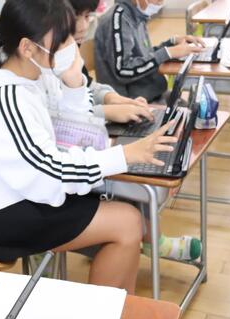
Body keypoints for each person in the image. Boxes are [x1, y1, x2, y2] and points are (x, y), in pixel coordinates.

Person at [0, 0, 178, 294]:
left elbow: (74, 138)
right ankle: (104, 317)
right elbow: (49, 172)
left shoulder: (37, 76)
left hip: (26, 191)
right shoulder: (5, 98)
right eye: (62, 39)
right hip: (1, 213)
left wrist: (74, 84)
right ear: (27, 47)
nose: (71, 45)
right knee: (127, 223)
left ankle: (117, 312)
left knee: (128, 219)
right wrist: (125, 155)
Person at [70, 0, 202, 261]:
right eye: (81, 17)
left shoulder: (132, 18)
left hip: (120, 107)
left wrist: (112, 100)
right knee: (144, 158)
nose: (85, 25)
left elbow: (87, 87)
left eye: (88, 16)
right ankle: (152, 240)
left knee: (175, 125)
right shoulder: (116, 20)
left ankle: (148, 236)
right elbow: (65, 112)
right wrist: (110, 110)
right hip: (89, 132)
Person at [94, 0, 205, 102]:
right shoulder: (118, 20)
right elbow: (123, 71)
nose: (160, 3)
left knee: (192, 105)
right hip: (132, 102)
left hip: (151, 92)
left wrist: (172, 43)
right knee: (189, 110)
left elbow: (145, 56)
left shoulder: (137, 15)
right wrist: (168, 52)